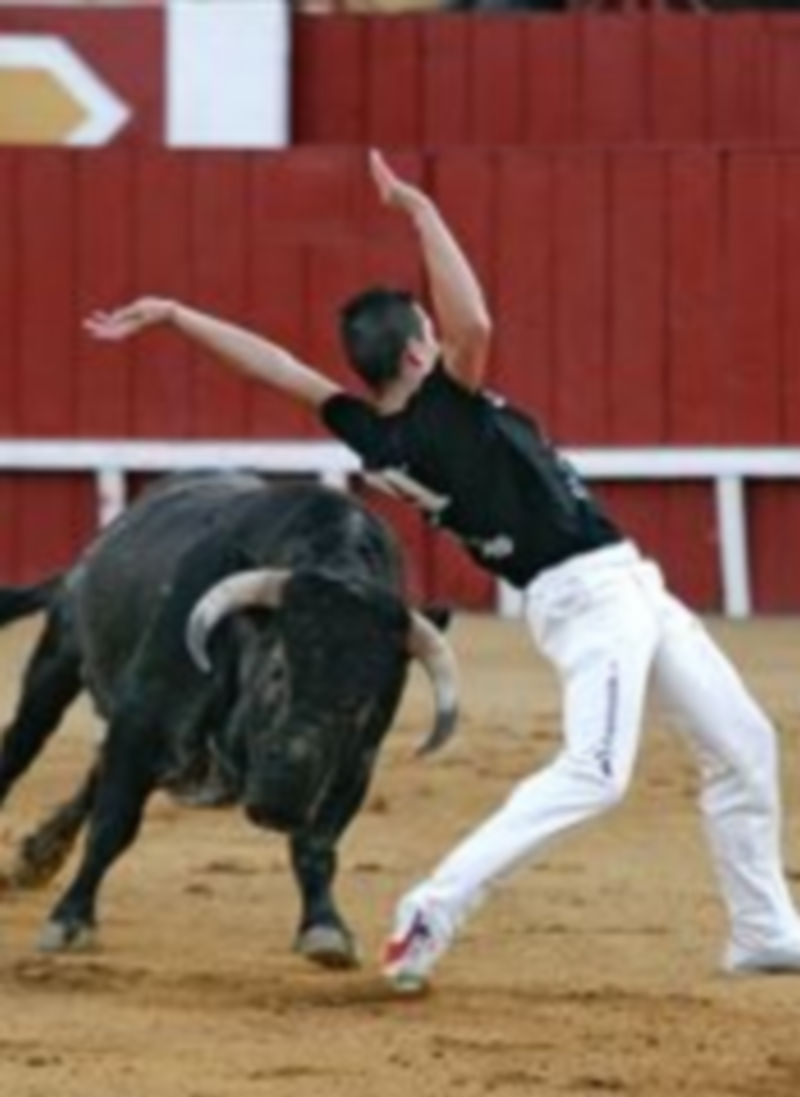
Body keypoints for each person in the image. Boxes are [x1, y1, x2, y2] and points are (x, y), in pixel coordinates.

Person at [85, 149, 800, 995]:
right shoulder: (442, 414)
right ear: (422, 351)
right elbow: (479, 324)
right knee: (596, 771)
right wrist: (421, 212)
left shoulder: (373, 433)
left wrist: (179, 315)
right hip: (590, 594)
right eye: (432, 330)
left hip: (625, 586)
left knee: (742, 742)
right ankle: (433, 906)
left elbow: (275, 367)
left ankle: (761, 928)